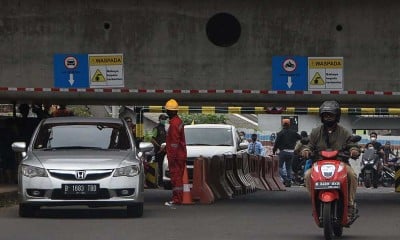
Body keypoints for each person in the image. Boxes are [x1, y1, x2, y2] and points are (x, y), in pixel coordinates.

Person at [301, 100, 360, 219]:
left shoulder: (344, 132)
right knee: (308, 175)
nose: (328, 117)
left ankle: (350, 205)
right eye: (325, 115)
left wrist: (354, 150)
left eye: (331, 115)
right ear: (322, 117)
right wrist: (306, 151)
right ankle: (315, 202)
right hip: (319, 164)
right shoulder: (315, 132)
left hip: (341, 164)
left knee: (352, 175)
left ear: (336, 116)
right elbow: (308, 145)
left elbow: (352, 145)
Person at [164, 99, 187, 206]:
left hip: (176, 156)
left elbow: (174, 142)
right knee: (178, 177)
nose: (166, 112)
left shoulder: (173, 124)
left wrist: (171, 157)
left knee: (176, 178)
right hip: (180, 154)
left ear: (171, 111)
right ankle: (178, 198)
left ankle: (177, 199)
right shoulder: (178, 122)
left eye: (167, 110)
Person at [273, 119, 301, 187]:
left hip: (283, 152)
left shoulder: (280, 133)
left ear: (282, 124)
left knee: (279, 167)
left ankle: (286, 179)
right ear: (289, 124)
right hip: (291, 152)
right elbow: (300, 138)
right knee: (289, 168)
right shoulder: (294, 132)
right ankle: (289, 181)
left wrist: (274, 150)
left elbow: (276, 143)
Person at [151, 114, 168, 187]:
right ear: (160, 119)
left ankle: (164, 181)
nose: (164, 120)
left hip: (166, 150)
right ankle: (159, 182)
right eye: (163, 119)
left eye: (165, 119)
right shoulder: (156, 128)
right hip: (159, 151)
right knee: (160, 167)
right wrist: (159, 146)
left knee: (165, 166)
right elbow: (152, 139)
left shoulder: (166, 128)